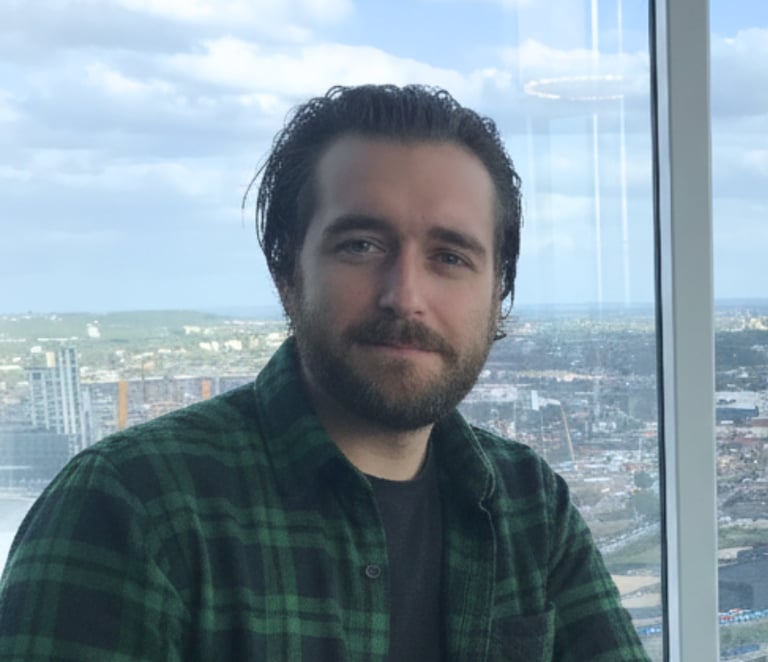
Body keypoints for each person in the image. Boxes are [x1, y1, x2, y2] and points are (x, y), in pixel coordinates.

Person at [0, 84, 650, 661]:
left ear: (497, 296)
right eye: (361, 245)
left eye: (450, 257)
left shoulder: (529, 505)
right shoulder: (134, 506)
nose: (405, 295)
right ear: (288, 273)